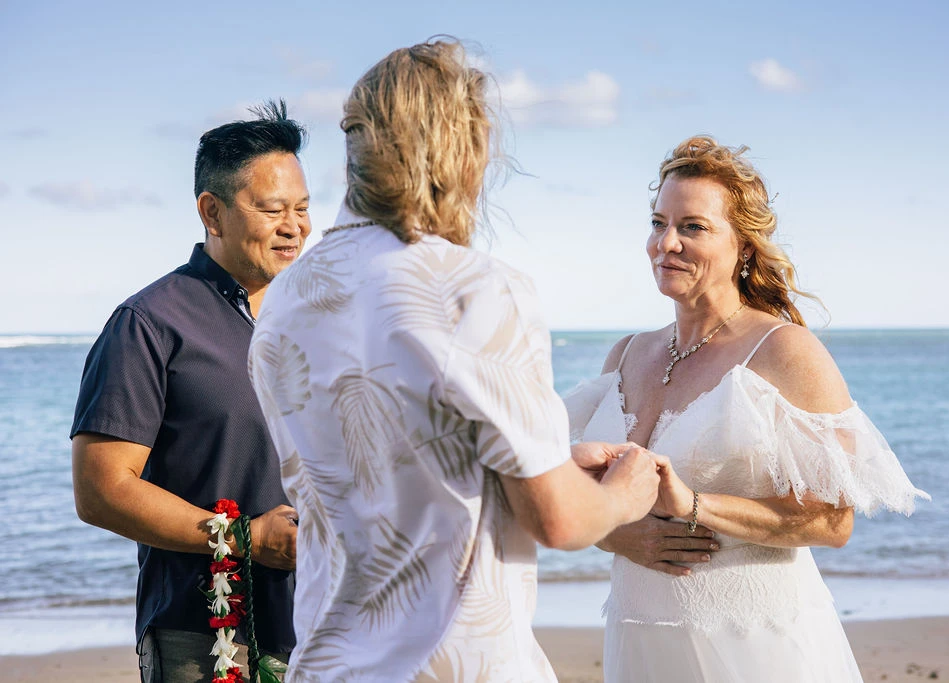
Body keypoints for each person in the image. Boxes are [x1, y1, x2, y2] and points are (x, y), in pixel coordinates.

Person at [247, 39, 661, 682]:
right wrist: (621, 497)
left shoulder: (284, 300)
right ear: (457, 148)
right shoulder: (475, 289)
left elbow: (374, 471)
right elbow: (557, 519)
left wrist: (546, 462)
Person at [564, 135, 930, 682]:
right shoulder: (626, 354)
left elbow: (834, 521)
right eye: (659, 222)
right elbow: (584, 495)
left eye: (693, 227)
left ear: (744, 247)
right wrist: (612, 533)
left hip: (753, 642)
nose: (666, 243)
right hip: (640, 636)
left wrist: (694, 504)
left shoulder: (784, 351)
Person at [71, 101, 310, 683]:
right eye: (272, 209)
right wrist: (246, 539)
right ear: (212, 212)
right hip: (203, 636)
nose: (294, 227)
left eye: (302, 208)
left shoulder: (316, 318)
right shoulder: (148, 323)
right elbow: (101, 491)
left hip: (326, 622)